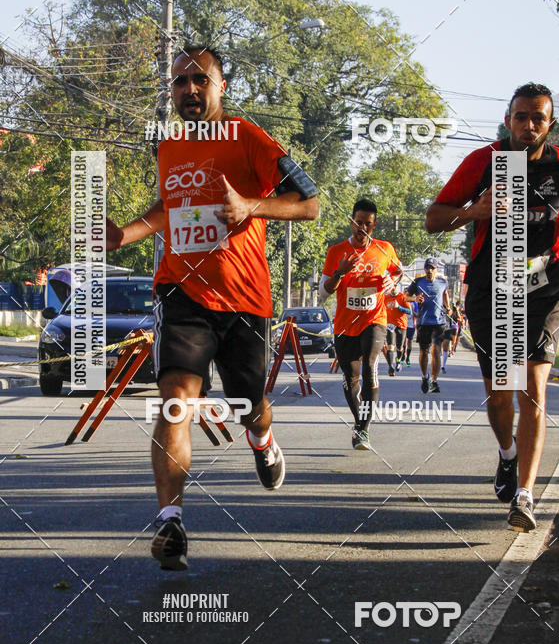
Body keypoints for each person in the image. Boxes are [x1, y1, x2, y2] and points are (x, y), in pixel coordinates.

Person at [106, 45, 319, 570]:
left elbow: (310, 203)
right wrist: (124, 235)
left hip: (245, 297)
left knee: (249, 401)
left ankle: (262, 439)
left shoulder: (250, 138)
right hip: (181, 291)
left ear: (222, 86)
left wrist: (252, 206)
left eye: (200, 80)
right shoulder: (169, 145)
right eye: (179, 82)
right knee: (176, 398)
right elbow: (166, 210)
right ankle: (171, 521)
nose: (189, 90)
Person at [426, 82, 559, 532]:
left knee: (532, 392)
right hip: (493, 288)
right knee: (502, 396)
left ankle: (524, 494)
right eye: (521, 116)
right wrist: (473, 212)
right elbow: (433, 218)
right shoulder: (484, 162)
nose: (529, 124)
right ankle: (507, 454)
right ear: (508, 120)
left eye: (538, 117)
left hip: (543, 289)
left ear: (549, 124)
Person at [320, 198, 403, 450]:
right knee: (351, 378)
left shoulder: (384, 248)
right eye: (358, 222)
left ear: (374, 225)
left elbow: (399, 270)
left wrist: (393, 283)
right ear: (351, 221)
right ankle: (359, 424)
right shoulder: (336, 252)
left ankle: (364, 430)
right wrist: (339, 273)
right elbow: (324, 293)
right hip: (345, 325)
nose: (362, 228)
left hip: (374, 319)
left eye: (368, 224)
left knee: (369, 365)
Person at [406, 258, 451, 394]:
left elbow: (445, 294)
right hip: (423, 322)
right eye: (427, 268)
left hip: (439, 322)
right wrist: (415, 299)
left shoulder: (443, 282)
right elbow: (406, 296)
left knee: (436, 351)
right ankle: (425, 377)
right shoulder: (418, 282)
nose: (429, 270)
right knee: (424, 351)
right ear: (424, 269)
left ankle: (434, 379)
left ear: (436, 269)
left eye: (432, 268)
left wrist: (448, 307)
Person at [384, 290, 414, 375]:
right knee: (390, 346)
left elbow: (409, 311)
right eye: (392, 286)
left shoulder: (403, 297)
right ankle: (391, 366)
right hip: (390, 325)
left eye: (395, 286)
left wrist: (399, 307)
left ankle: (398, 361)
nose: (393, 288)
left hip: (401, 325)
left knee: (400, 347)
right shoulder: (386, 297)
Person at [399, 300, 417, 367]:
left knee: (409, 342)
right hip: (403, 324)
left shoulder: (414, 303)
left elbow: (417, 315)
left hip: (411, 325)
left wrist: (412, 311)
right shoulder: (402, 301)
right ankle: (403, 356)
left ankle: (408, 358)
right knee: (403, 342)